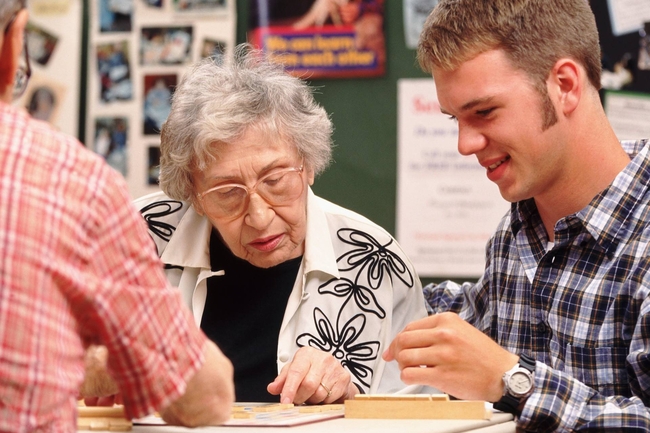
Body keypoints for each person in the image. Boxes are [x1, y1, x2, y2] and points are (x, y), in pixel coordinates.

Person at [383, 0, 650, 431]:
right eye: (455, 119)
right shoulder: (514, 236)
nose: (464, 144)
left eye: (483, 112)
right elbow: (459, 320)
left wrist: (512, 381)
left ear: (564, 84)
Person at [134, 43, 429, 405]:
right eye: (228, 193)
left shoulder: (372, 261)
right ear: (193, 195)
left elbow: (419, 409)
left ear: (307, 165)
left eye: (275, 181)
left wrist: (352, 401)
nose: (259, 217)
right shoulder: (136, 237)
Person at [0, 1, 234, 431]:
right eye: (226, 189)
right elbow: (206, 399)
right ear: (17, 38)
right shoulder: (69, 180)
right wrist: (120, 360)